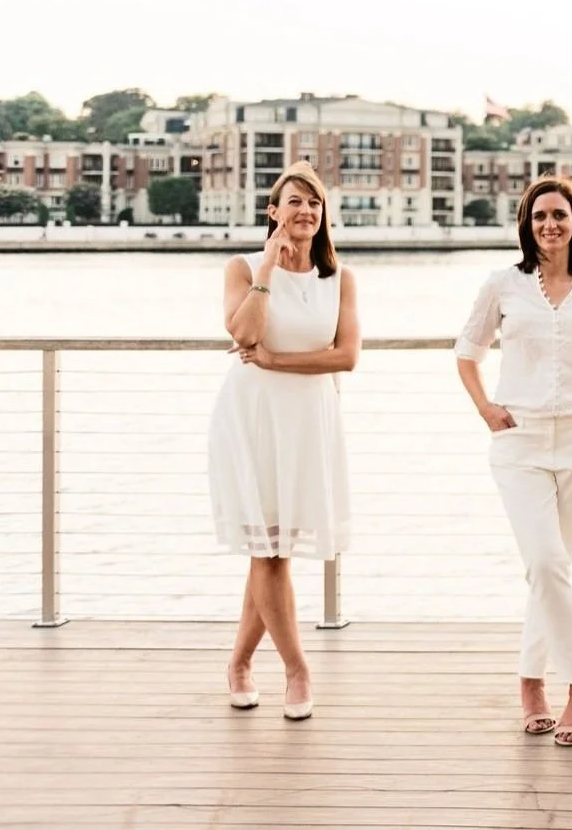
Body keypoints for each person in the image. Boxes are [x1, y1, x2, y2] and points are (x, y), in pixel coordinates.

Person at [454, 177, 572, 748]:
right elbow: (466, 352)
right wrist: (485, 409)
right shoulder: (503, 285)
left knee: (550, 571)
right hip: (519, 441)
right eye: (540, 216)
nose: (550, 225)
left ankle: (530, 683)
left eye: (561, 215)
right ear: (526, 224)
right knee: (546, 562)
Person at [211, 161, 359, 723]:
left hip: (310, 422)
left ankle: (239, 662)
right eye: (294, 202)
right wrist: (268, 267)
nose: (305, 212)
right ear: (272, 211)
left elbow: (345, 355)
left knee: (272, 547)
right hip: (253, 421)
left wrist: (277, 360)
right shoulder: (243, 266)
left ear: (324, 216)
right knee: (269, 551)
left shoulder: (339, 278)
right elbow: (244, 332)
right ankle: (297, 670)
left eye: (314, 204)